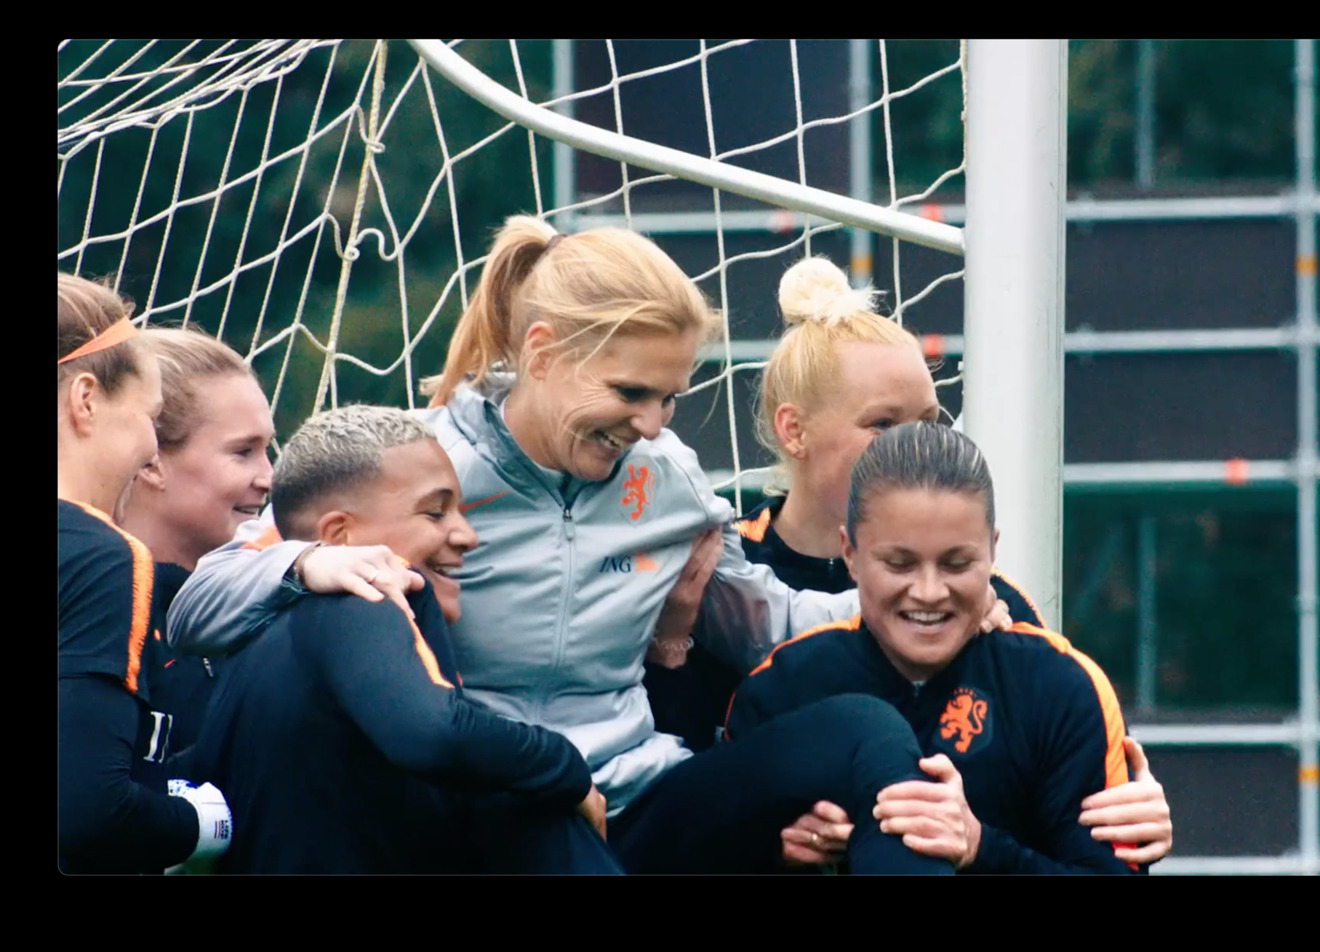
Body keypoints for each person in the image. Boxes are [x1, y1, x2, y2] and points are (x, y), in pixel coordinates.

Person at [163, 216, 1003, 868]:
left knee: (859, 730)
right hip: (488, 805)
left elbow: (764, 620)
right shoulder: (418, 467)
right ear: (543, 351)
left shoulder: (665, 476)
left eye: (671, 397)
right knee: (537, 811)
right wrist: (307, 560)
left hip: (638, 801)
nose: (650, 424)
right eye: (632, 391)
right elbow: (200, 603)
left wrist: (939, 599)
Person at [647, 256, 1174, 868]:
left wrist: (1131, 801)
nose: (911, 446)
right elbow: (688, 795)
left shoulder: (991, 604)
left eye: (928, 422)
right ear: (794, 431)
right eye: (884, 424)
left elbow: (1044, 736)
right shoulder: (714, 572)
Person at [184, 405, 620, 873]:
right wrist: (565, 767)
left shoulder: (263, 638)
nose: (467, 535)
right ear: (339, 537)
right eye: (435, 512)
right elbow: (433, 735)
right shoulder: (357, 600)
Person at [727, 421, 1148, 873]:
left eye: (956, 563)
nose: (929, 592)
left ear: (992, 550)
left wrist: (980, 848)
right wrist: (773, 849)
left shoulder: (1063, 688)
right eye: (899, 563)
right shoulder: (782, 688)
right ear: (850, 553)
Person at [56, 273, 230, 874]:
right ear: (85, 400)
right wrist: (206, 822)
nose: (154, 448)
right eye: (149, 416)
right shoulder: (99, 556)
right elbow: (85, 813)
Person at [118, 328, 275, 768]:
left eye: (267, 450)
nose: (268, 477)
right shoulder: (98, 606)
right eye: (243, 452)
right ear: (151, 460)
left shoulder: (265, 599)